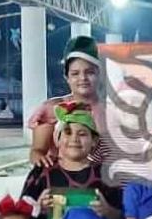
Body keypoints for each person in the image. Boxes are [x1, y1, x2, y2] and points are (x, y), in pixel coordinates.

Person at [20, 103, 124, 219]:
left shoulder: (106, 176)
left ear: (94, 141)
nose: (74, 139)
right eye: (67, 132)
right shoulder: (42, 171)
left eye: (82, 134)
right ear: (58, 139)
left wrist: (107, 211)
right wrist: (38, 208)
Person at [29, 36, 110, 167]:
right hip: (62, 182)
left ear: (99, 74)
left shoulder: (111, 110)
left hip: (101, 183)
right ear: (66, 77)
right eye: (75, 73)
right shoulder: (51, 109)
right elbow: (37, 151)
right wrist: (41, 162)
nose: (83, 78)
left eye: (90, 72)